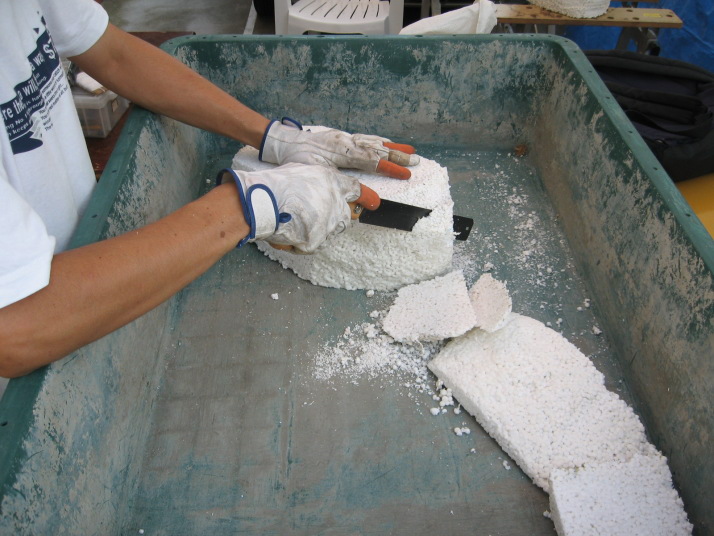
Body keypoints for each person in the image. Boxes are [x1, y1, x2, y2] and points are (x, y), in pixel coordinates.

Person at [0, 0, 418, 379]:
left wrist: (275, 138)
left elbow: (112, 54)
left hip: (91, 259)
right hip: (36, 359)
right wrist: (251, 205)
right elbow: (17, 329)